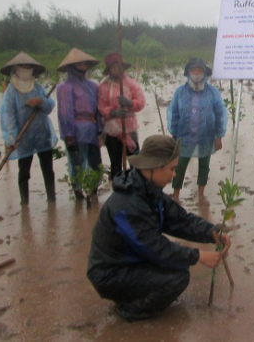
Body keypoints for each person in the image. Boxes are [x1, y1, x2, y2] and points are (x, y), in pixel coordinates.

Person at [87, 135, 230, 321]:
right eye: (171, 169)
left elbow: (181, 220)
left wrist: (213, 233)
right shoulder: (128, 204)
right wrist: (198, 256)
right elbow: (155, 248)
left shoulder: (149, 190)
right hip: (110, 273)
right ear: (154, 167)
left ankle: (130, 296)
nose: (174, 175)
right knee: (178, 278)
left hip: (131, 260)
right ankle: (130, 311)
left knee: (176, 269)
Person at [0, 52, 58, 204]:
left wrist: (40, 101)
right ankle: (24, 202)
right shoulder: (11, 92)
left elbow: (50, 106)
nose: (26, 69)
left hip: (42, 134)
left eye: (29, 67)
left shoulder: (37, 87)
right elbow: (8, 115)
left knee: (48, 169)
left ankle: (52, 199)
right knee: (24, 171)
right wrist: (11, 137)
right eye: (23, 67)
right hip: (23, 138)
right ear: (16, 69)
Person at [167, 58, 227, 201]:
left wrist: (219, 136)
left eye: (199, 70)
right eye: (193, 70)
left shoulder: (212, 92)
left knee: (204, 165)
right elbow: (173, 113)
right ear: (188, 73)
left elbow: (220, 113)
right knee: (180, 165)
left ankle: (201, 193)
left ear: (204, 73)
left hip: (206, 136)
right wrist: (174, 134)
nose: (196, 73)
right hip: (184, 136)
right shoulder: (180, 92)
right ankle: (176, 193)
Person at [57, 48, 103, 203]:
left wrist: (100, 130)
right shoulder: (65, 87)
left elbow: (99, 111)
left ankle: (93, 191)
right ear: (71, 66)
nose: (82, 66)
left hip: (92, 128)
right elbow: (65, 113)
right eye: (79, 63)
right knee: (77, 163)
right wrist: (69, 136)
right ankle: (78, 193)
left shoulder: (93, 86)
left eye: (84, 63)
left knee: (95, 163)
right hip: (76, 130)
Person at [97, 52, 146, 180]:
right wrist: (113, 112)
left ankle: (135, 189)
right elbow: (101, 106)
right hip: (112, 130)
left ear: (123, 67)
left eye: (118, 66)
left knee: (135, 162)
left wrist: (130, 103)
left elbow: (141, 102)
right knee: (116, 164)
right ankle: (117, 189)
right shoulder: (104, 86)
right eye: (113, 67)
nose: (117, 69)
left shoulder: (131, 84)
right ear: (109, 70)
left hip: (130, 128)